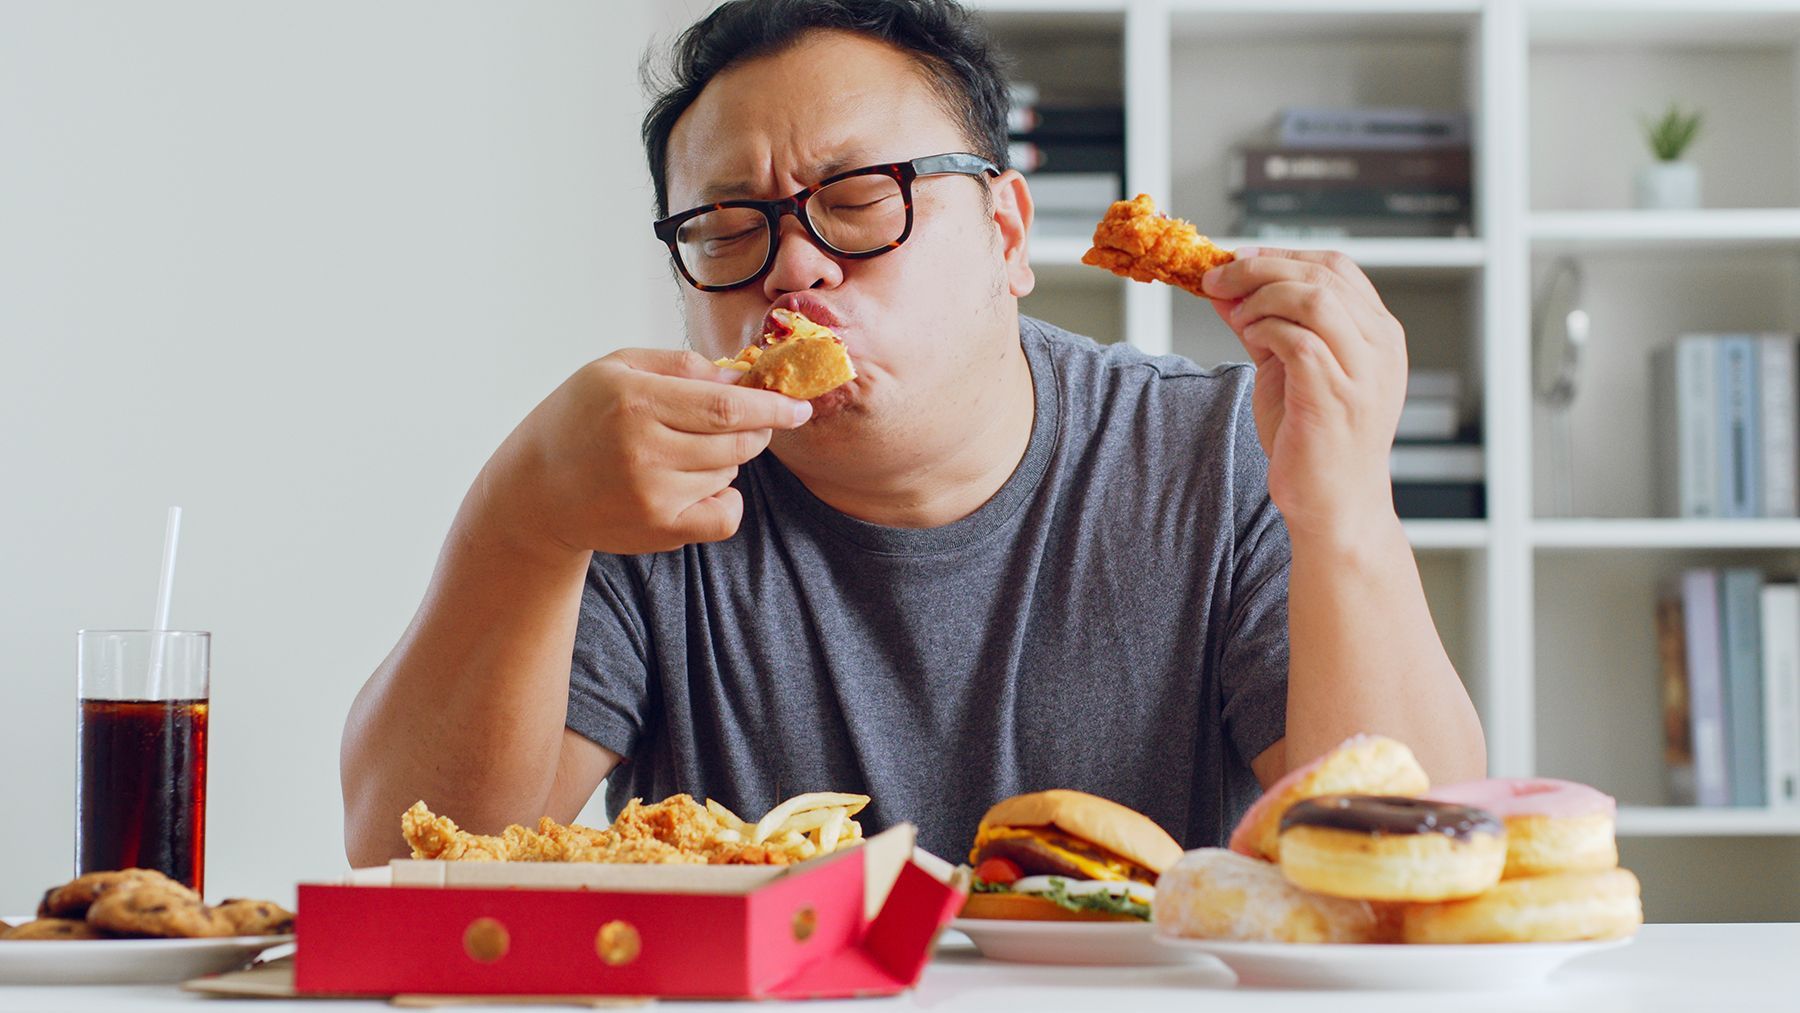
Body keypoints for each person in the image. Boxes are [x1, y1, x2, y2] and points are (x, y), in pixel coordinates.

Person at [340, 0, 1485, 866]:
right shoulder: (639, 489)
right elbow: (404, 859)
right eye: (730, 227)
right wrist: (522, 517)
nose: (793, 266)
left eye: (860, 198)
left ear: (1006, 230)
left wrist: (1346, 512)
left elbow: (1416, 857)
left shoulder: (1214, 450)